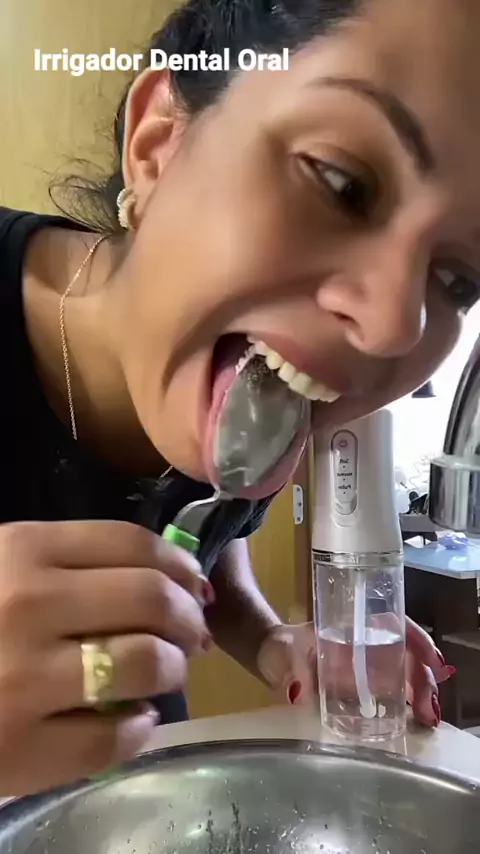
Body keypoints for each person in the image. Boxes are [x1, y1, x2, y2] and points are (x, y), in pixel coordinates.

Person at [0, 0, 476, 796]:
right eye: (344, 183)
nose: (397, 325)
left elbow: (208, 548)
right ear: (158, 144)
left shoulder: (240, 381)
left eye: (459, 280)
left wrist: (274, 643)